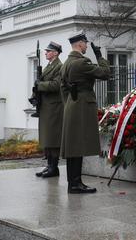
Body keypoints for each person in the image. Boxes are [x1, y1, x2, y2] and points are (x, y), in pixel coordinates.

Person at [59, 33, 111, 194]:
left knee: (74, 147)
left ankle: (74, 183)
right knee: (78, 146)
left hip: (71, 105)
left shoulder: (66, 63)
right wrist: (100, 56)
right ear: (80, 44)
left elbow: (63, 89)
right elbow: (105, 73)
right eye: (85, 44)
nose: (87, 46)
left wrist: (69, 102)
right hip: (81, 106)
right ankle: (75, 184)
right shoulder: (81, 62)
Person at [33, 41, 64, 178]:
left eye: (48, 51)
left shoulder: (60, 66)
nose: (46, 53)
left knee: (53, 138)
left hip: (54, 107)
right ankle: (49, 166)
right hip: (46, 106)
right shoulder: (49, 66)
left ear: (56, 53)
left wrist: (40, 85)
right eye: (46, 51)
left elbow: (56, 85)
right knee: (47, 138)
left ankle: (54, 167)